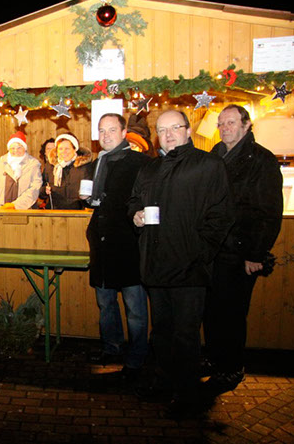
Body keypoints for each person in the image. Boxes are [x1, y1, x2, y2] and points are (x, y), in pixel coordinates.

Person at [129, 110, 233, 415]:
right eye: (163, 130)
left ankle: (189, 395)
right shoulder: (150, 169)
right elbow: (135, 201)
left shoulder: (208, 165)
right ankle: (165, 381)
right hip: (156, 265)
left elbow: (222, 215)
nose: (169, 134)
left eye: (175, 128)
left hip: (189, 267)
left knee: (185, 335)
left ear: (188, 131)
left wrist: (200, 252)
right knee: (161, 330)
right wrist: (134, 215)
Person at [203, 105, 283, 395]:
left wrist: (255, 254)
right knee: (211, 310)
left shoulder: (261, 160)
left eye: (231, 123)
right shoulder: (215, 155)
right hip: (213, 250)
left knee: (232, 313)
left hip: (239, 252)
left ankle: (231, 367)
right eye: (221, 123)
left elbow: (269, 212)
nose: (225, 128)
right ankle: (214, 360)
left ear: (247, 125)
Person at [85, 114, 151, 379]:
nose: (106, 135)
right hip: (102, 245)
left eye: (112, 130)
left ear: (125, 133)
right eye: (101, 131)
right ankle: (111, 348)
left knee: (135, 309)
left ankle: (136, 358)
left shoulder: (140, 162)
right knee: (106, 304)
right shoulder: (98, 162)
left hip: (128, 245)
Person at [0, 131, 42, 209]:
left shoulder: (33, 164)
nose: (16, 151)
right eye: (13, 148)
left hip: (25, 210)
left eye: (19, 147)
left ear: (24, 148)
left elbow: (34, 189)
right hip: (0, 210)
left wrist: (15, 206)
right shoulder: (0, 164)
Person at [42, 133, 93, 209]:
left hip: (77, 213)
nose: (63, 152)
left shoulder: (84, 167)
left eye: (67, 148)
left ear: (74, 149)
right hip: (54, 212)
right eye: (60, 149)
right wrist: (44, 190)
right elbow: (41, 189)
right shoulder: (50, 167)